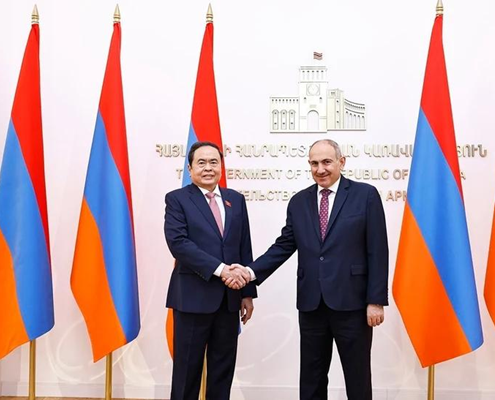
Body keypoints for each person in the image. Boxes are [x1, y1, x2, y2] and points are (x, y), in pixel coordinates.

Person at [225, 139, 388, 400]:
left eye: (327, 162)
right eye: (314, 163)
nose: (320, 169)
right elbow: (284, 245)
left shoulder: (365, 195)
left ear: (341, 162)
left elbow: (378, 250)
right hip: (312, 304)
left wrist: (376, 300)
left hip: (352, 304)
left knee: (357, 377)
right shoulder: (299, 201)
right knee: (311, 378)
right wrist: (250, 272)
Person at [164, 141, 255, 400]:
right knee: (186, 373)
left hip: (229, 300)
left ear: (221, 167)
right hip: (192, 298)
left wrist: (247, 293)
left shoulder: (235, 199)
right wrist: (221, 270)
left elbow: (243, 246)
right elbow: (178, 244)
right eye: (201, 162)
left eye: (213, 162)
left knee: (222, 371)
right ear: (190, 168)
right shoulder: (177, 199)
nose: (208, 168)